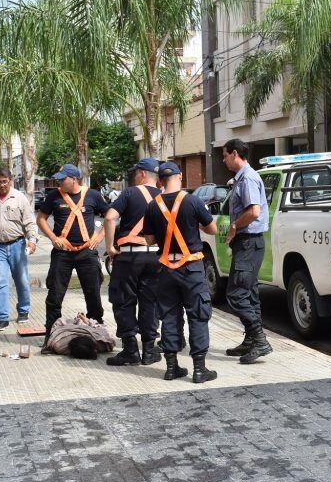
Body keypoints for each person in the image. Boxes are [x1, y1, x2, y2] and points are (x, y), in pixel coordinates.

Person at [142, 162, 218, 383]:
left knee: (169, 317)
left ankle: (172, 368)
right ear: (180, 176)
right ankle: (200, 370)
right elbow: (211, 229)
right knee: (197, 315)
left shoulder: (152, 206)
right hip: (191, 268)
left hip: (166, 268)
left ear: (160, 181)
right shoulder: (193, 201)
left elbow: (149, 240)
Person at [37, 163, 109, 345]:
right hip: (63, 253)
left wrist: (99, 237)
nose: (59, 182)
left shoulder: (92, 195)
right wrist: (53, 238)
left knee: (93, 294)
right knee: (54, 295)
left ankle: (97, 332)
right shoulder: (54, 196)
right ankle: (50, 336)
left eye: (63, 179)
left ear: (74, 179)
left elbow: (110, 216)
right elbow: (41, 219)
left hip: (87, 253)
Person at [104, 158, 163, 367]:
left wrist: (110, 247)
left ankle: (130, 350)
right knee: (150, 302)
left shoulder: (129, 193)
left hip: (129, 257)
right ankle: (149, 350)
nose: (134, 176)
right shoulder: (164, 196)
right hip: (156, 257)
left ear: (144, 174)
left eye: (136, 172)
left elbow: (110, 218)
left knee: (124, 300)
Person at [221, 138, 273, 364]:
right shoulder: (242, 179)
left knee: (236, 293)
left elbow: (253, 211)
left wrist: (234, 226)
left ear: (234, 154)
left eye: (224, 156)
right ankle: (252, 340)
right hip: (247, 244)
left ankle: (260, 340)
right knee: (249, 294)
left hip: (249, 242)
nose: (223, 161)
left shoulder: (248, 178)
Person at [0, 168, 39, 330]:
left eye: (5, 181)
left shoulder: (19, 198)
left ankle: (23, 311)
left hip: (18, 245)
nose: (2, 184)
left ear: (10, 180)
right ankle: (2, 318)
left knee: (22, 280)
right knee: (0, 282)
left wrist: (32, 240)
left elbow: (30, 222)